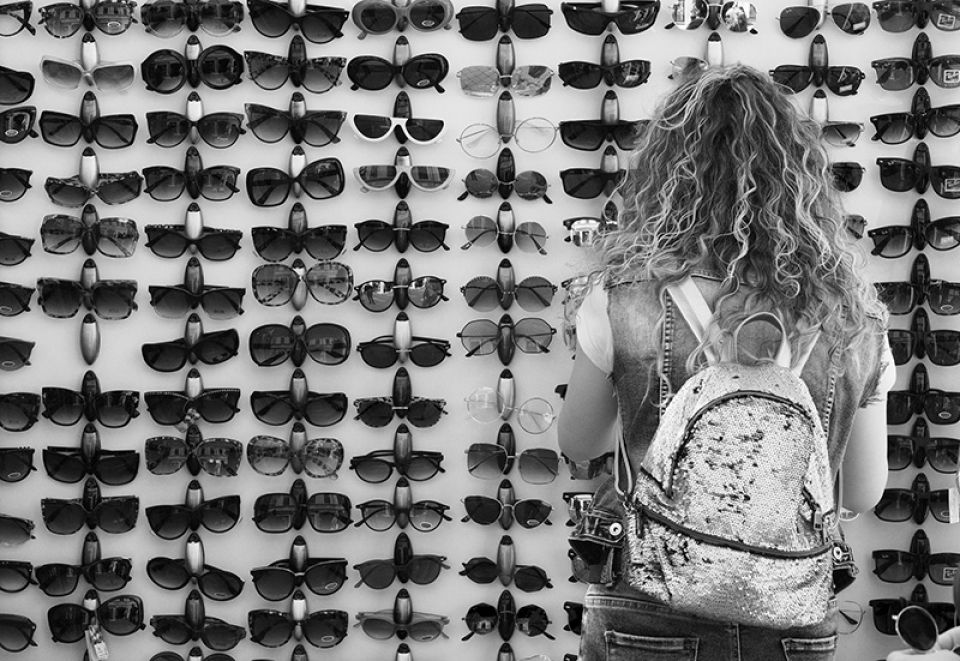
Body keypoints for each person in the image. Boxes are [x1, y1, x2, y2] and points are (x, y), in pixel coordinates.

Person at [557, 64, 895, 661]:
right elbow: (863, 491)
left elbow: (580, 443)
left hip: (648, 604)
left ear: (666, 174)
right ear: (801, 177)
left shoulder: (623, 297)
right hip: (790, 609)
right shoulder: (853, 317)